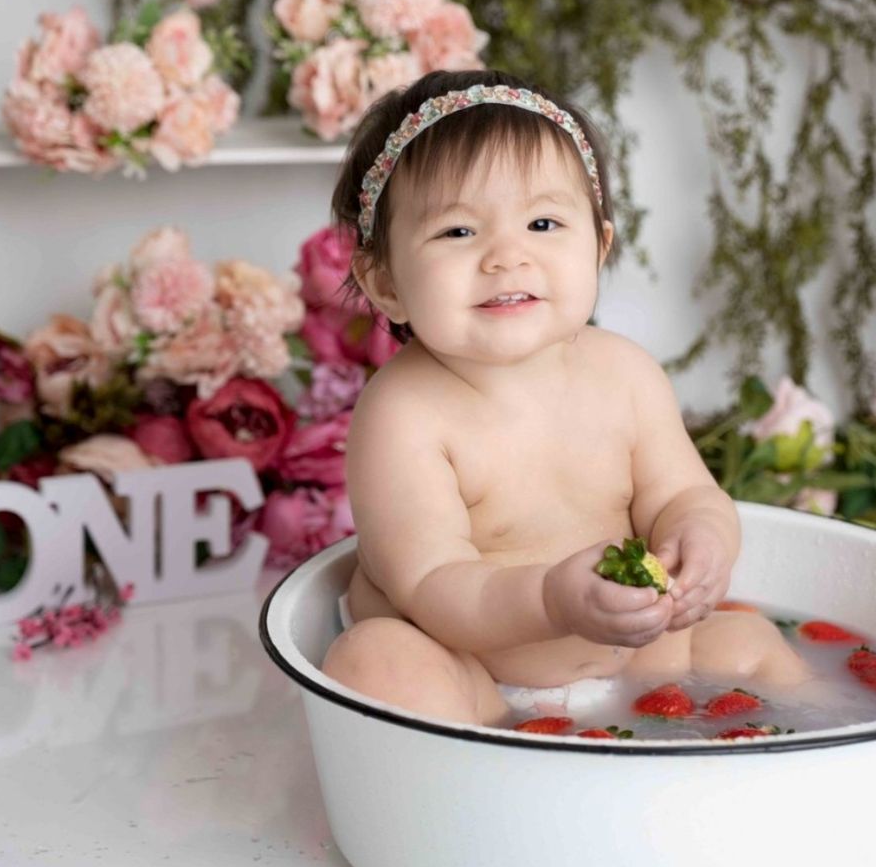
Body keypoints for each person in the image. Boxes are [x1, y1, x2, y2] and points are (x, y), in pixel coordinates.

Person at [321, 69, 810, 727]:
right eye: (459, 232)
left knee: (750, 643)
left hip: (638, 665)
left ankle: (839, 757)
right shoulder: (402, 416)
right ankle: (480, 784)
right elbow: (432, 585)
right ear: (384, 282)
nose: (507, 256)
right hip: (477, 685)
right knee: (376, 662)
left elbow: (683, 495)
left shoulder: (626, 376)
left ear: (600, 247)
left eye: (543, 222)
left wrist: (702, 542)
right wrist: (552, 599)